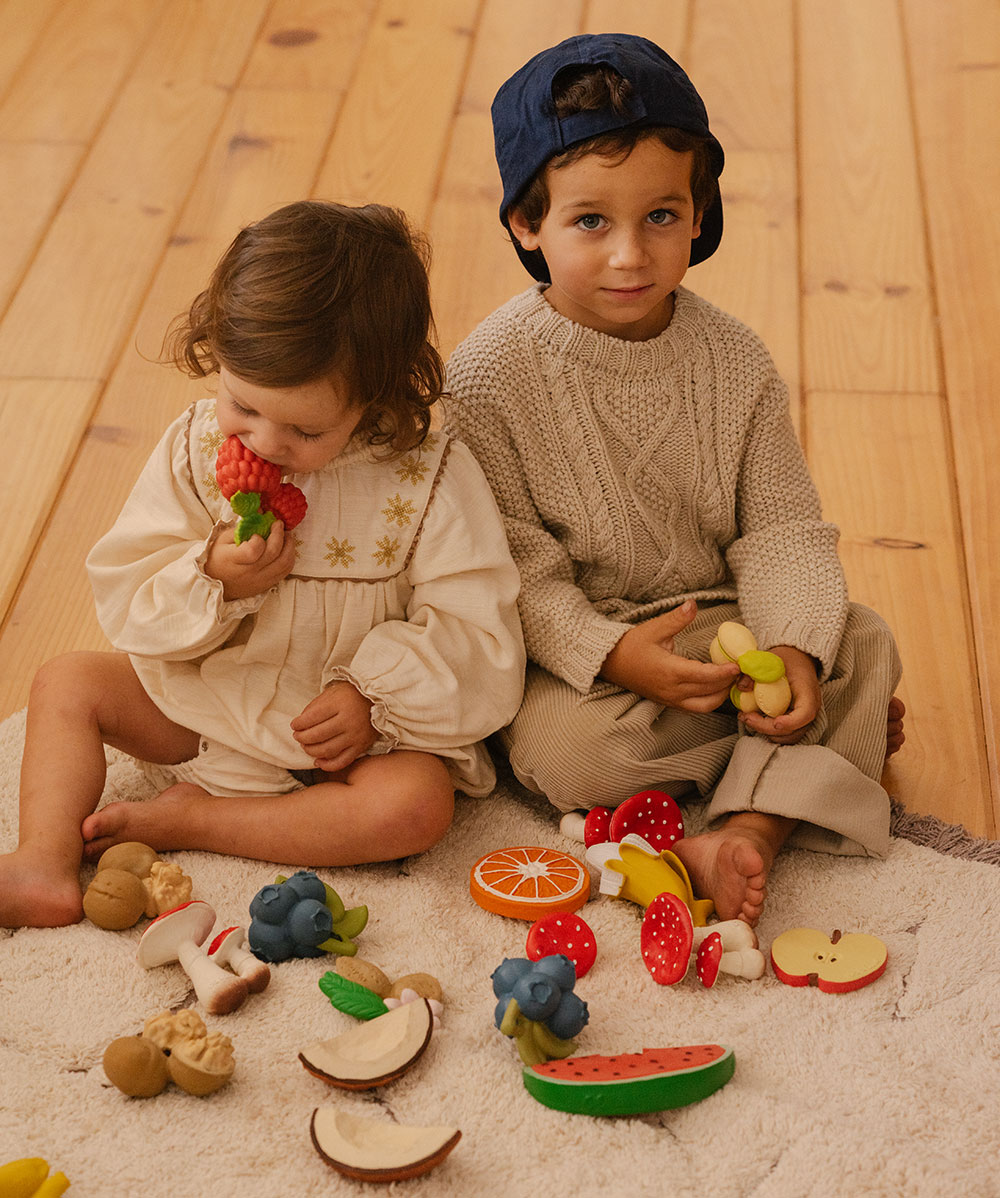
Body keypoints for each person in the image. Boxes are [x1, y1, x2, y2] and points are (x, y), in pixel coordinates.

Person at [445, 34, 905, 925]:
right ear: (525, 223)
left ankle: (748, 827)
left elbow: (780, 530)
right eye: (590, 222)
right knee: (558, 751)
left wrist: (801, 653)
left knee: (865, 638)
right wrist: (614, 655)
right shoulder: (488, 377)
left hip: (725, 629)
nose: (630, 256)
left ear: (700, 214)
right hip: (591, 660)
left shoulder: (733, 359)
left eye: (661, 216)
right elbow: (517, 571)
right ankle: (807, 763)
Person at [1, 200, 525, 929]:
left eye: (306, 427)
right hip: (207, 703)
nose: (269, 441)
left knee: (417, 805)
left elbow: (479, 628)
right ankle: (42, 860)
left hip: (342, 750)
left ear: (376, 397)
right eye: (243, 405)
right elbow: (129, 587)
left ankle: (200, 822)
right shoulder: (193, 452)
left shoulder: (427, 478)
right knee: (67, 681)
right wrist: (210, 579)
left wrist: (372, 699)